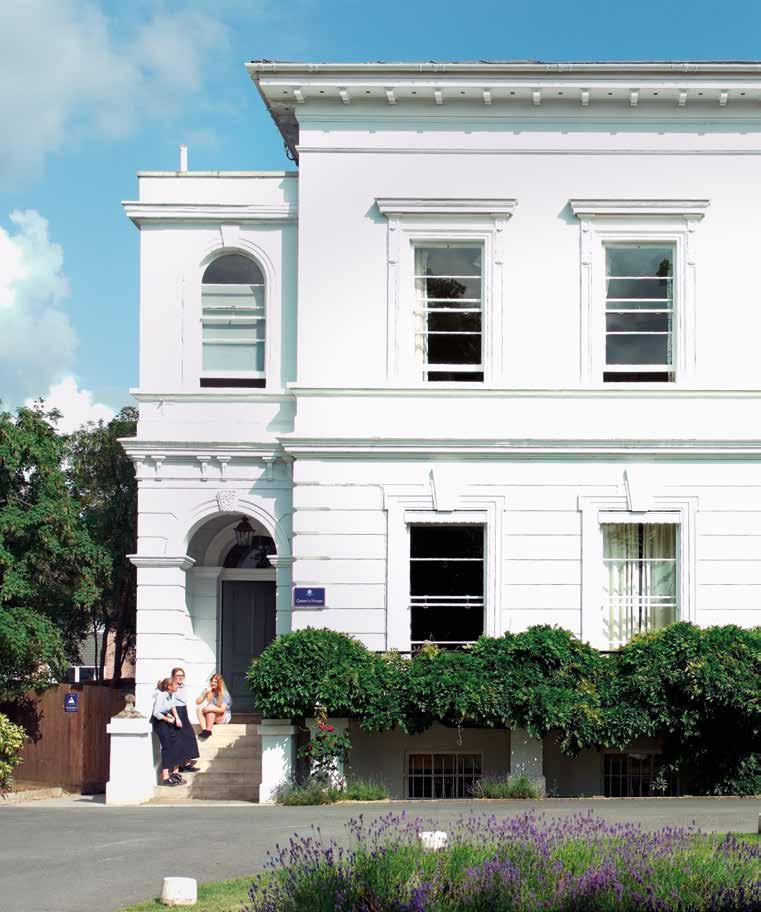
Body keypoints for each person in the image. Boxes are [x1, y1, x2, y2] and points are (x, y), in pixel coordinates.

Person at [152, 677, 182, 787]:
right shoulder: (161, 695)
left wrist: (171, 716)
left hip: (166, 721)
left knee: (173, 746)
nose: (177, 686)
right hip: (160, 723)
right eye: (175, 684)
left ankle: (172, 774)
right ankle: (165, 777)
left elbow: (166, 709)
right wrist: (167, 719)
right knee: (167, 748)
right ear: (169, 686)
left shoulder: (171, 695)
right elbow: (156, 713)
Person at [171, 667, 200, 773]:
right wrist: (176, 718)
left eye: (182, 675)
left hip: (183, 710)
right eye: (178, 675)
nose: (180, 677)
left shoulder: (183, 686)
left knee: (189, 736)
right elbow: (173, 702)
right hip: (175, 711)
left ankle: (187, 764)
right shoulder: (171, 686)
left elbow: (184, 700)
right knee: (178, 739)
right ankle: (178, 766)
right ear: (173, 676)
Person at [196, 673, 232, 739]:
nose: (213, 683)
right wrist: (205, 693)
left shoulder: (224, 693)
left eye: (215, 682)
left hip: (223, 717)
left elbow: (222, 710)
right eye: (212, 681)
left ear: (219, 683)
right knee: (200, 708)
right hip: (212, 715)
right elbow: (197, 702)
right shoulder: (209, 690)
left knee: (210, 708)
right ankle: (204, 730)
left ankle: (208, 731)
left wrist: (210, 709)